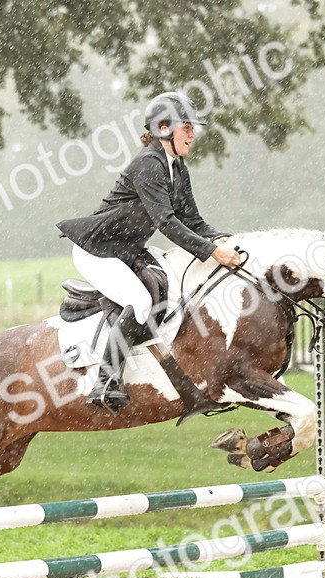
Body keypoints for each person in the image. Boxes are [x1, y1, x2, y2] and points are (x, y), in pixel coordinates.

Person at [57, 91, 244, 412]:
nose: (192, 133)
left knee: (170, 288)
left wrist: (229, 240)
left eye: (191, 127)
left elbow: (193, 221)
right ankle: (104, 381)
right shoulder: (148, 165)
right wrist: (213, 252)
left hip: (126, 250)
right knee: (140, 302)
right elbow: (167, 223)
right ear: (162, 128)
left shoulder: (177, 168)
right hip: (96, 250)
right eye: (186, 127)